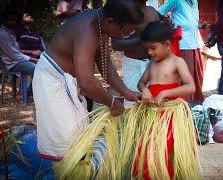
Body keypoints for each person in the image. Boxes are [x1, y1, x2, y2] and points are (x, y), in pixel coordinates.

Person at [32, 0, 144, 161]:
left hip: (67, 81)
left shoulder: (102, 25)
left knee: (81, 139)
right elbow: (86, 82)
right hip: (52, 79)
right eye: (126, 32)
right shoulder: (88, 29)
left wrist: (126, 92)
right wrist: (112, 103)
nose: (126, 37)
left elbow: (105, 66)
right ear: (110, 22)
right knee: (68, 145)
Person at [136, 20, 195, 179]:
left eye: (153, 48)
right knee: (148, 149)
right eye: (147, 48)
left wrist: (165, 94)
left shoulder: (178, 62)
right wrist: (145, 89)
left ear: (167, 44)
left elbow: (191, 87)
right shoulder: (151, 64)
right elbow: (141, 82)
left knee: (165, 149)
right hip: (152, 115)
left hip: (170, 116)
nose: (149, 52)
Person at [112, 0, 160, 106]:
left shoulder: (152, 12)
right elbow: (115, 44)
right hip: (132, 64)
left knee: (152, 105)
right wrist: (139, 41)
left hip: (152, 64)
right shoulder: (122, 14)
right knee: (132, 104)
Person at [158, 0, 205, 102]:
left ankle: (193, 105)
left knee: (197, 77)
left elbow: (192, 22)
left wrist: (200, 26)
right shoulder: (176, 1)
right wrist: (169, 24)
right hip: (183, 44)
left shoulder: (195, 2)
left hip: (195, 44)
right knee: (185, 79)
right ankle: (182, 106)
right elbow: (159, 12)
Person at [0, 11, 36, 89]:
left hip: (18, 60)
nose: (12, 22)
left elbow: (18, 51)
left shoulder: (10, 32)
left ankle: (30, 92)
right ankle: (29, 92)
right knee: (37, 69)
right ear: (3, 21)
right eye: (9, 20)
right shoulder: (3, 34)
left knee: (42, 67)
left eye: (13, 20)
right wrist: (32, 59)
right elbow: (14, 55)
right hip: (12, 64)